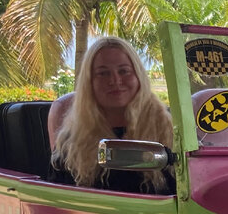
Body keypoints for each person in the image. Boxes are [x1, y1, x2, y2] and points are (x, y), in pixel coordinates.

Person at [47, 36, 175, 193]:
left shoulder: (171, 133)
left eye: (124, 71)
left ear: (139, 76)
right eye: (103, 73)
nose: (115, 80)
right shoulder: (70, 144)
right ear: (89, 82)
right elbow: (57, 202)